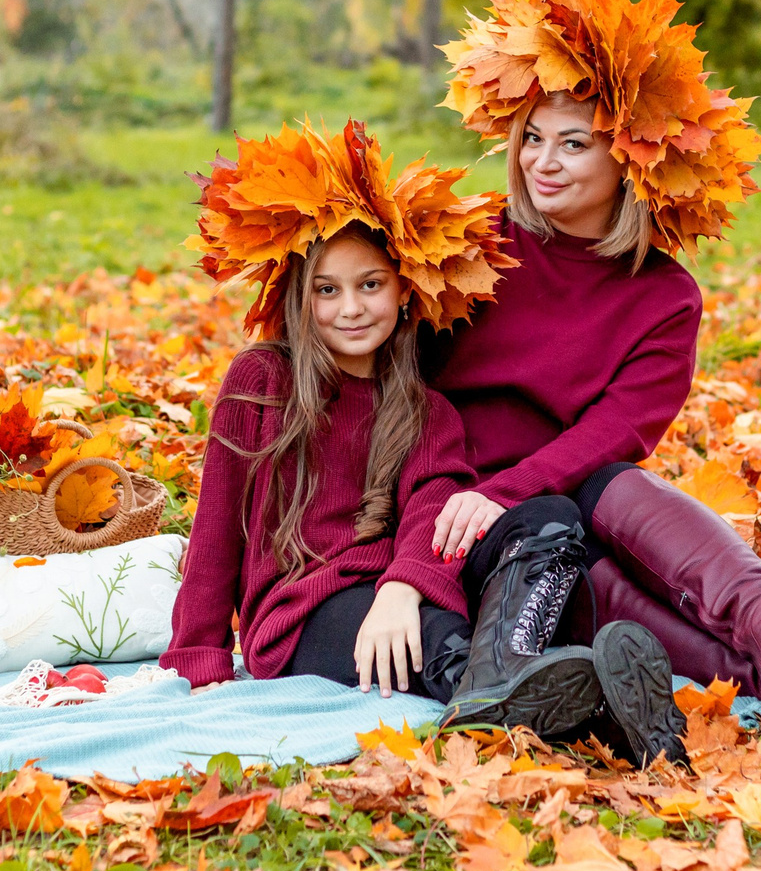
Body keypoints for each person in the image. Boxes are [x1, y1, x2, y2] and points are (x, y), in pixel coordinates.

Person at [426, 0, 761, 723]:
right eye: (533, 139)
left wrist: (517, 488)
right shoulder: (474, 244)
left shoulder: (663, 297)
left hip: (569, 491)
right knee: (597, 574)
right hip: (469, 513)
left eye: (573, 144)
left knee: (615, 489)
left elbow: (616, 432)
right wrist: (483, 496)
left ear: (629, 158)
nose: (543, 162)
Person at [165, 119, 689, 767]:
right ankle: (604, 719)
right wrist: (201, 655)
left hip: (395, 587)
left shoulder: (422, 403)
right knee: (442, 643)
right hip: (305, 610)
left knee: (551, 519)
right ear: (300, 294)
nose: (350, 308)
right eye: (327, 289)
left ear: (404, 288)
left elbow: (430, 508)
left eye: (371, 285)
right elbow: (217, 529)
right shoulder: (261, 382)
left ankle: (521, 684)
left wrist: (402, 585)